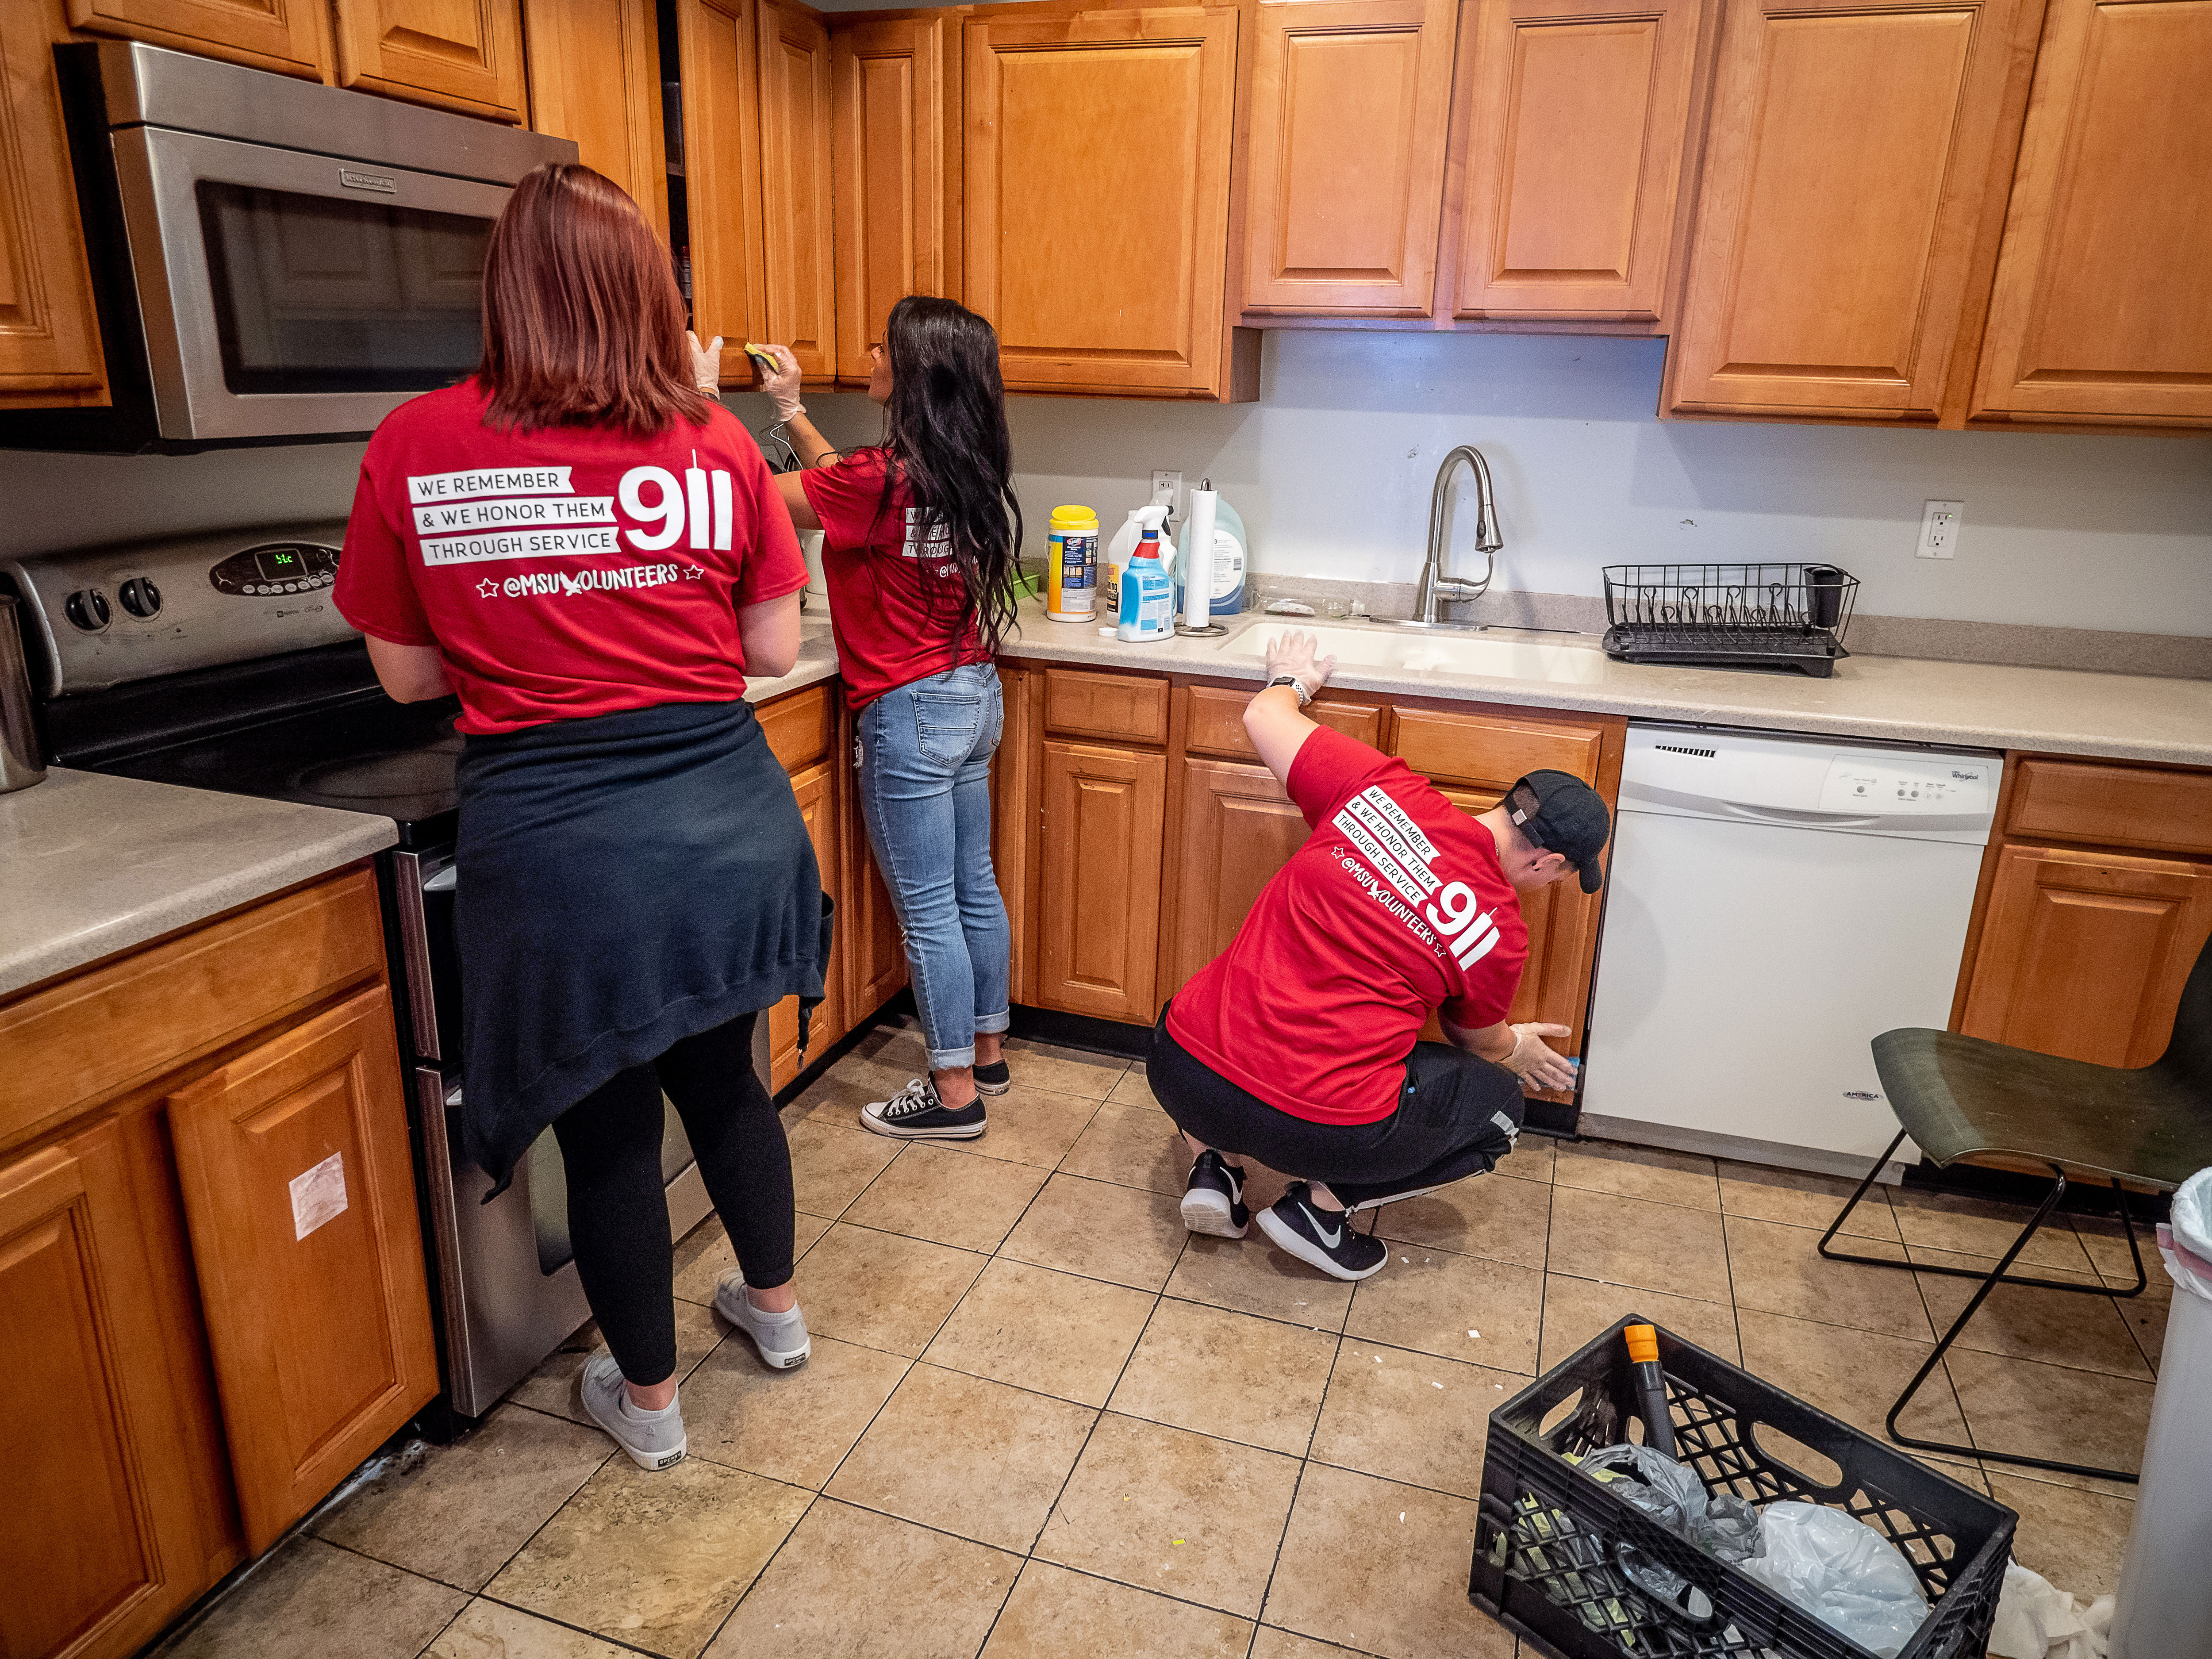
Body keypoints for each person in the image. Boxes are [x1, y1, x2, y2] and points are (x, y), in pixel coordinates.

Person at [333, 163, 833, 1471]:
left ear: (504, 290)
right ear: (645, 295)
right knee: (724, 1079)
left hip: (563, 849)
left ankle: (651, 1402)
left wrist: (527, 626)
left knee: (604, 1120)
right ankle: (774, 1316)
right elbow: (774, 643)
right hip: (726, 819)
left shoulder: (415, 444)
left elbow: (403, 676)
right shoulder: (716, 440)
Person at [1153, 630, 1612, 1281]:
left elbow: (1264, 714)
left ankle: (1212, 1166)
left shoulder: (1382, 786)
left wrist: (1294, 678)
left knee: (1205, 1006)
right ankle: (1321, 1209)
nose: (1551, 886)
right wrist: (1516, 1049)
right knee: (1501, 1110)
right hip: (1314, 1130)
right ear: (1548, 860)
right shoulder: (1497, 930)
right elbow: (1476, 1042)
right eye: (1562, 877)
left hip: (1180, 1067)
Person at [752, 298, 1022, 1141]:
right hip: (974, 695)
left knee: (930, 907)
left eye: (884, 344)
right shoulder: (958, 468)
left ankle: (950, 1094)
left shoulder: (877, 480)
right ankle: (985, 1053)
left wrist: (688, 403)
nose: (870, 350)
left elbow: (759, 497)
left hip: (908, 710)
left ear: (912, 373)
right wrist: (792, 410)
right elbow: (845, 483)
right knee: (973, 884)